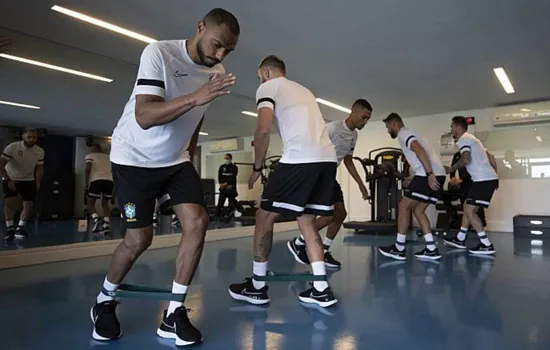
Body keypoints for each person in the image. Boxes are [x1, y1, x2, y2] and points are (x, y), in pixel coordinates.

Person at [90, 8, 239, 347]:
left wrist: (189, 150)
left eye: (227, 51)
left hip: (174, 161)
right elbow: (144, 115)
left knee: (198, 222)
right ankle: (104, 301)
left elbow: (197, 117)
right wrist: (194, 97)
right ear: (200, 27)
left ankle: (173, 313)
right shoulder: (159, 53)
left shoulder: (217, 72)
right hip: (133, 160)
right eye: (217, 44)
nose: (220, 55)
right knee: (138, 239)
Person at [228, 55, 339, 308]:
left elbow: (263, 130)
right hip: (326, 159)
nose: (259, 80)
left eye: (259, 76)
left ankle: (257, 286)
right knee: (307, 220)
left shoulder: (268, 86)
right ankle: (321, 288)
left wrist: (257, 167)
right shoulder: (304, 90)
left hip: (300, 158)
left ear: (265, 72)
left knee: (264, 216)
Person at [287, 99, 372, 269]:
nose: (365, 122)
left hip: (330, 176)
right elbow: (313, 146)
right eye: (363, 117)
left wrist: (360, 184)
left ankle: (323, 250)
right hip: (318, 175)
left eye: (368, 119)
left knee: (340, 214)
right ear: (353, 111)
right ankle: (299, 242)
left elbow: (347, 160)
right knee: (328, 216)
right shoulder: (333, 128)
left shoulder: (354, 135)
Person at [378, 113, 446, 260]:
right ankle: (431, 248)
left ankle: (399, 248)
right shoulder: (413, 133)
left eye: (388, 127)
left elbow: (419, 150)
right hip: (439, 174)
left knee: (403, 206)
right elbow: (420, 155)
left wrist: (428, 174)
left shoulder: (403, 133)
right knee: (418, 210)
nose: (388, 130)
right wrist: (415, 177)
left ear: (394, 124)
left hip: (429, 174)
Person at [444, 116, 499, 255]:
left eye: (452, 126)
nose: (451, 129)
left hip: (483, 180)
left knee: (469, 211)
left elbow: (466, 159)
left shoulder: (464, 139)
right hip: (484, 179)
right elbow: (491, 157)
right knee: (467, 207)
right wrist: (495, 176)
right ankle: (460, 238)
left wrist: (450, 169)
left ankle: (485, 244)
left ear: (458, 127)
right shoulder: (474, 139)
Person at [0, 128, 44, 241]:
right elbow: (1, 164)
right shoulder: (12, 147)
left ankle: (20, 228)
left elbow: (39, 168)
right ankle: (10, 228)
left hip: (28, 179)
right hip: (11, 177)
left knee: (28, 204)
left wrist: (37, 181)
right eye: (29, 137)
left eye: (34, 137)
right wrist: (7, 179)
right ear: (23, 136)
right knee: (10, 203)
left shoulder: (39, 151)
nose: (32, 139)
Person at [449, 150, 487, 228]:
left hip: (474, 181)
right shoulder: (457, 155)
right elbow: (452, 169)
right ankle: (467, 226)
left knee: (476, 204)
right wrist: (452, 178)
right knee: (465, 205)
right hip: (463, 183)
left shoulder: (474, 153)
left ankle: (481, 223)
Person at [85, 144, 113, 233]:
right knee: (105, 203)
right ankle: (106, 225)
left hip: (96, 180)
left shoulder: (90, 156)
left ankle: (97, 220)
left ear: (93, 149)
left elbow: (87, 168)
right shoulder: (108, 157)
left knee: (90, 202)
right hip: (109, 181)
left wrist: (86, 182)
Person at [216, 153, 243, 218]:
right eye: (225, 158)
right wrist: (221, 184)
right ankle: (217, 216)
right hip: (223, 188)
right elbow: (219, 176)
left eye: (227, 158)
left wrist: (226, 183)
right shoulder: (222, 167)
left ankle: (231, 216)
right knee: (220, 202)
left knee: (231, 203)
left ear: (230, 159)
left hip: (231, 187)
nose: (226, 160)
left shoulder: (234, 167)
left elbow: (233, 177)